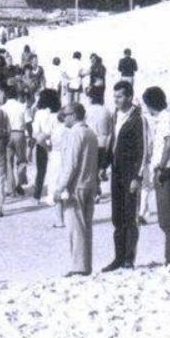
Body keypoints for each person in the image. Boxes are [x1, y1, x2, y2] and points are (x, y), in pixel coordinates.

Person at [51, 103, 100, 277]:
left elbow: (70, 164)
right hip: (89, 183)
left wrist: (60, 187)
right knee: (86, 227)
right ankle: (86, 265)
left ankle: (78, 266)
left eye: (65, 114)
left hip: (76, 185)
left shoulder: (74, 134)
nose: (63, 118)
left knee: (76, 228)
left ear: (73, 115)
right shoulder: (91, 133)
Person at [103, 81, 144, 272]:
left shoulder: (138, 119)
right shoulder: (115, 115)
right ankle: (118, 257)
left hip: (130, 171)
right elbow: (112, 142)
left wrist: (137, 176)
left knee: (129, 216)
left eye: (119, 96)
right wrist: (104, 165)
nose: (116, 100)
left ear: (129, 97)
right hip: (116, 171)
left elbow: (143, 149)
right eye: (114, 96)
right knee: (117, 216)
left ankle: (129, 258)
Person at [142, 86, 170, 275]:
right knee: (166, 220)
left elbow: (168, 143)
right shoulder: (165, 118)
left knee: (168, 221)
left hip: (167, 172)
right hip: (168, 172)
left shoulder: (166, 119)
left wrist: (160, 167)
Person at [0, 86, 29, 197]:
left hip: (6, 135)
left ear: (6, 95)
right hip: (19, 133)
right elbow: (28, 122)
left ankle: (10, 189)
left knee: (8, 162)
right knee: (21, 160)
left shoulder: (2, 108)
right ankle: (19, 184)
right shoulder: (22, 106)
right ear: (16, 95)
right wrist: (30, 135)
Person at [83, 92, 113, 185]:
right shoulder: (107, 111)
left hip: (90, 141)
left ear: (91, 99)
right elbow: (110, 129)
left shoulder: (87, 110)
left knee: (89, 168)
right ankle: (97, 185)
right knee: (99, 168)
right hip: (102, 142)